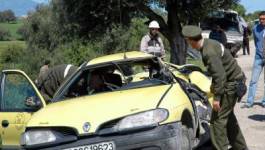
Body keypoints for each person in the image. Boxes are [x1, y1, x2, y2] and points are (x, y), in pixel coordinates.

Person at [182, 25, 248, 150]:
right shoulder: (208, 43)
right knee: (228, 119)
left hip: (231, 85)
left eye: (187, 40)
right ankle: (241, 147)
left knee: (217, 122)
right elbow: (219, 72)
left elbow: (220, 76)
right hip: (235, 80)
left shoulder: (208, 52)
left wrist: (217, 98)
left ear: (191, 40)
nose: (188, 43)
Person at [244, 11, 265, 108]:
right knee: (253, 80)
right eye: (260, 19)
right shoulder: (255, 29)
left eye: (264, 19)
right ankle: (249, 102)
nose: (262, 20)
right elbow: (256, 42)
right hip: (258, 57)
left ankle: (264, 101)